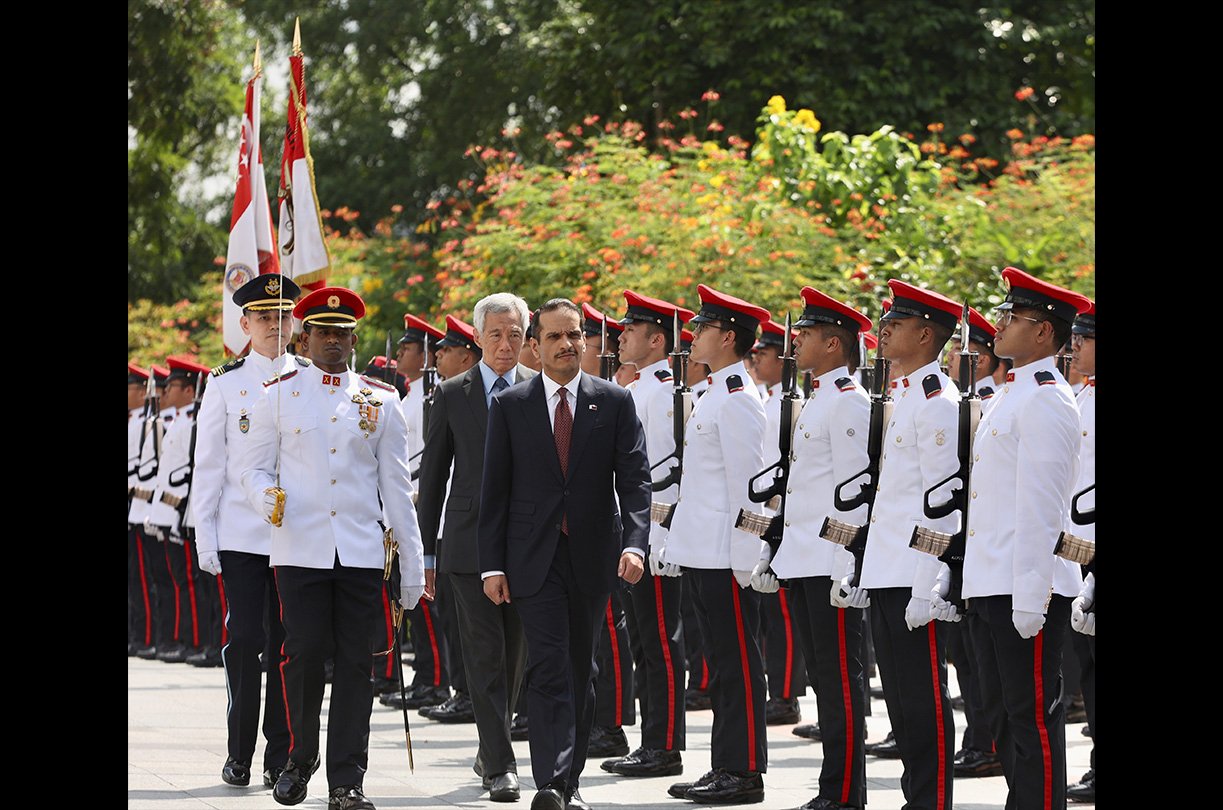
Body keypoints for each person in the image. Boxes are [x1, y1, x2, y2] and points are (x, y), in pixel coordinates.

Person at [239, 285, 426, 810]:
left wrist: (411, 564)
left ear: (354, 338)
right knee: (301, 657)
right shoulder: (278, 393)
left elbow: (397, 488)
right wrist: (263, 496)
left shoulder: (381, 400)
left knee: (355, 665)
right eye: (323, 332)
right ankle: (300, 758)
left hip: (361, 553)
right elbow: (249, 468)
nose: (333, 342)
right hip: (300, 548)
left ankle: (347, 780)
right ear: (305, 335)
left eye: (342, 334)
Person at [478, 296, 651, 810]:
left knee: (581, 667)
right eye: (554, 336)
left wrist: (636, 545)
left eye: (573, 335)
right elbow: (495, 491)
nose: (566, 344)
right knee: (549, 663)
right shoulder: (512, 406)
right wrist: (492, 564)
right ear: (535, 345)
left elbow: (636, 481)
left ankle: (568, 781)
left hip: (593, 555)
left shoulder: (614, 401)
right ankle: (551, 782)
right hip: (532, 557)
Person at [962, 266, 1090, 810]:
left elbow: (1042, 507)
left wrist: (1033, 593)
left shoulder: (1047, 399)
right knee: (1002, 713)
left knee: (1032, 716)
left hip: (1023, 585)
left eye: (1013, 318)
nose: (1000, 325)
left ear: (1043, 332)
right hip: (992, 577)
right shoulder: (1011, 396)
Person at [417, 297, 536, 801]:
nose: (505, 344)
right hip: (466, 545)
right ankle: (501, 766)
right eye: (495, 335)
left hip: (528, 544)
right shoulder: (451, 394)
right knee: (484, 655)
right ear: (478, 338)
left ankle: (492, 745)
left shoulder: (541, 388)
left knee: (514, 658)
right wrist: (425, 554)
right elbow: (433, 477)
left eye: (514, 335)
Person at [662, 283, 772, 805]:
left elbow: (750, 489)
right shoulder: (716, 392)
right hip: (705, 551)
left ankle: (745, 769)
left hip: (729, 555)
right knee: (721, 667)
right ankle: (725, 763)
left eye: (704, 327)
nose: (694, 334)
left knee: (738, 665)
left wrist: (749, 561)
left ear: (729, 337)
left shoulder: (738, 400)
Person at [858, 279, 961, 810]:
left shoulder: (937, 402)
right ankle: (915, 796)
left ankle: (931, 800)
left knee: (922, 698)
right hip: (887, 569)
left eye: (895, 325)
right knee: (900, 700)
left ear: (926, 334)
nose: (884, 330)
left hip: (912, 574)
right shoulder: (905, 396)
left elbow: (942, 503)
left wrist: (928, 583)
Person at [192, 274, 299, 787]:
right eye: (264, 318)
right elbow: (209, 465)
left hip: (298, 538)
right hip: (242, 536)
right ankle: (240, 750)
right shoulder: (225, 382)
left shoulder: (310, 375)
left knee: (288, 644)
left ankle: (281, 753)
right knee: (245, 641)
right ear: (245, 324)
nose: (274, 326)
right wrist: (204, 536)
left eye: (282, 316)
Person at [769, 286, 873, 810]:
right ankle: (834, 788)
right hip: (804, 558)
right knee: (824, 683)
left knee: (839, 684)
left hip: (828, 563)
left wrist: (844, 563)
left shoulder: (848, 402)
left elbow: (853, 493)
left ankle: (845, 792)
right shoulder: (819, 397)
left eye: (806, 334)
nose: (796, 340)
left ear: (834, 344)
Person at [600, 290, 694, 779]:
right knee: (643, 642)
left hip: (652, 537)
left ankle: (664, 745)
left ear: (657, 340)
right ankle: (652, 740)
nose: (621, 336)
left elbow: (658, 475)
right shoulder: (638, 392)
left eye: (632, 330)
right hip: (631, 536)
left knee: (659, 642)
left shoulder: (661, 394)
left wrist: (653, 540)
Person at [939, 307, 1005, 779]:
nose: (950, 362)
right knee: (965, 654)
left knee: (980, 658)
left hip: (978, 541)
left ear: (981, 360)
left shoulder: (987, 402)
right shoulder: (965, 400)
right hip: (961, 543)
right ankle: (978, 739)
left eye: (961, 354)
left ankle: (986, 743)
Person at [749, 319, 809, 727]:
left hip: (785, 511)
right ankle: (781, 688)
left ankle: (786, 693)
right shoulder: (770, 401)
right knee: (774, 612)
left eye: (762, 353)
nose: (756, 359)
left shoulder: (793, 401)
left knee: (783, 614)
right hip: (769, 510)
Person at [1065, 300, 1095, 804]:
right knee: (1089, 668)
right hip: (1080, 545)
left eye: (1083, 340)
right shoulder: (1080, 396)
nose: (1075, 348)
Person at [129, 363, 156, 657]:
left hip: (148, 507)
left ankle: (149, 636)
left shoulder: (147, 424)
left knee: (151, 578)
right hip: (137, 507)